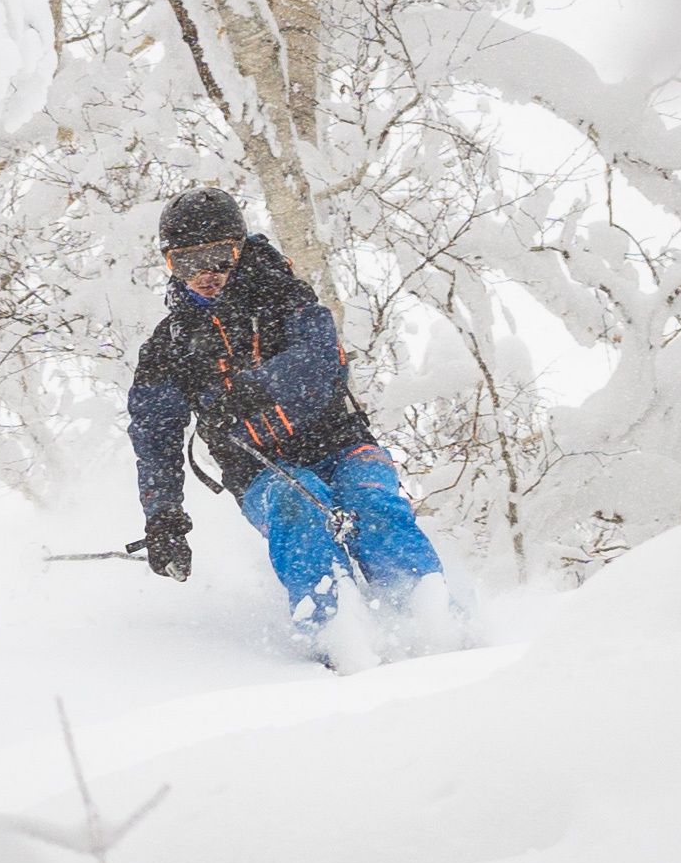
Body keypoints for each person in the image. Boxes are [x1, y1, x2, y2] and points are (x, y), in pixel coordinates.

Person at [126, 188, 461, 663]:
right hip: (261, 469)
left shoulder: (283, 296)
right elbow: (154, 434)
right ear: (170, 265)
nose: (206, 276)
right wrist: (164, 519)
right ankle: (337, 637)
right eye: (187, 263)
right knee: (298, 503)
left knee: (372, 505)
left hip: (340, 443)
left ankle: (433, 626)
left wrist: (252, 388)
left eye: (220, 258)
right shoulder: (170, 345)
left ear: (240, 251)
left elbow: (321, 357)